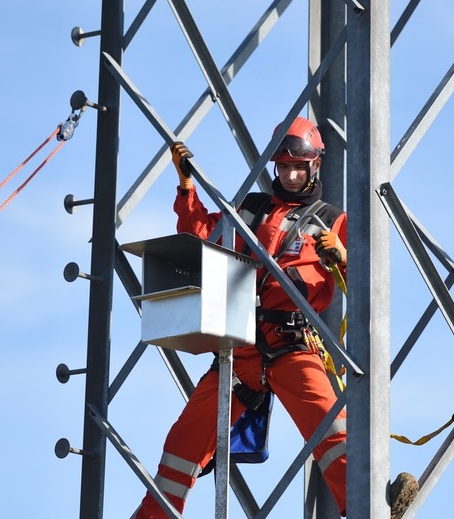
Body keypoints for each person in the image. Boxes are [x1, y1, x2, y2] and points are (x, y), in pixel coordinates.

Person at [132, 116, 350, 518]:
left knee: (335, 432)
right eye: (283, 166)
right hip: (236, 348)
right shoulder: (252, 208)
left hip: (291, 345)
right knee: (181, 447)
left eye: (297, 167)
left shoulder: (333, 221)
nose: (289, 174)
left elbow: (368, 287)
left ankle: (371, 508)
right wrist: (186, 188)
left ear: (314, 165)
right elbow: (202, 237)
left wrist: (342, 255)